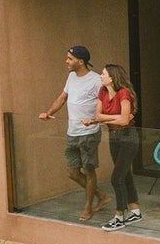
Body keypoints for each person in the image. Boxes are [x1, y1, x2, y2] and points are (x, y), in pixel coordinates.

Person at [39, 45, 110, 221]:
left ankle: (88, 207)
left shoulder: (95, 80)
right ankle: (101, 195)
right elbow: (62, 98)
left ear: (81, 61)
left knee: (89, 169)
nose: (66, 61)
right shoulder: (71, 76)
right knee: (72, 172)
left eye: (70, 58)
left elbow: (106, 102)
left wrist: (95, 119)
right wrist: (49, 113)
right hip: (72, 132)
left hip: (89, 133)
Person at [82, 64, 143, 231]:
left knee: (116, 178)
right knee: (125, 174)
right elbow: (99, 116)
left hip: (128, 136)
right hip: (114, 137)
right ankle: (135, 211)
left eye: (103, 74)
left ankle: (119, 216)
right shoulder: (102, 91)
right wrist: (116, 117)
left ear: (112, 77)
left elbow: (124, 122)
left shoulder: (124, 93)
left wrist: (105, 119)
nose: (101, 76)